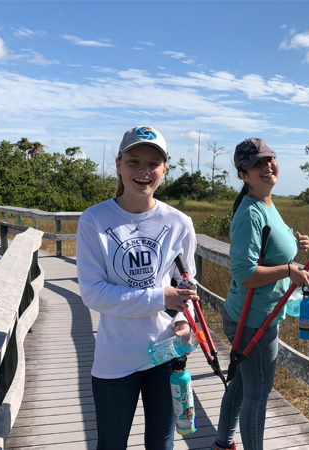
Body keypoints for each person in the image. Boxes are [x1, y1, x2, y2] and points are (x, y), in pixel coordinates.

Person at [76, 126, 199, 450]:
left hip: (165, 352)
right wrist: (160, 297)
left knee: (161, 443)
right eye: (134, 161)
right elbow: (93, 292)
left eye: (152, 163)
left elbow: (185, 286)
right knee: (111, 444)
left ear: (164, 170)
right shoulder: (94, 220)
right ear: (118, 164)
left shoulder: (179, 223)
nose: (143, 171)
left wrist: (184, 321)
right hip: (114, 357)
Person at [212, 138, 309, 450]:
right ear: (243, 174)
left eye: (270, 159)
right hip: (253, 320)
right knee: (258, 395)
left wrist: (295, 243)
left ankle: (222, 443)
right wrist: (288, 270)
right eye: (257, 163)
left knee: (243, 384)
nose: (267, 166)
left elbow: (268, 246)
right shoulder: (251, 212)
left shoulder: (266, 202)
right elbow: (243, 273)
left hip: (256, 315)